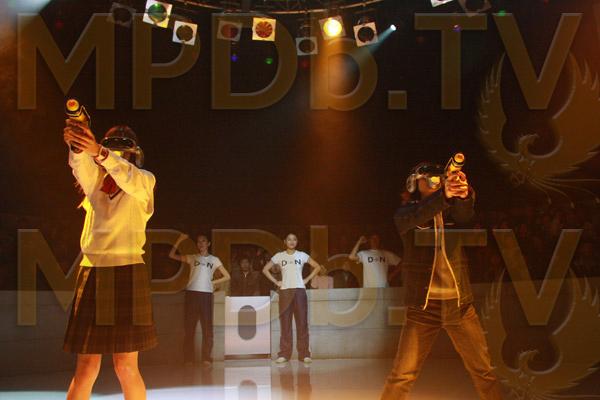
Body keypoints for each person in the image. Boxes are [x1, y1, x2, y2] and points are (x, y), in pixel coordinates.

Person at [381, 161, 503, 400]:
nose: (434, 182)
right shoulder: (405, 213)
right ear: (414, 184)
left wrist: (465, 195)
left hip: (459, 305)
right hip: (423, 308)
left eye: (438, 179)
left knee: (483, 371)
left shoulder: (450, 212)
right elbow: (419, 215)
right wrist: (444, 196)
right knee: (402, 375)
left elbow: (466, 215)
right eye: (428, 179)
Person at [62, 120, 157, 400]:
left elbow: (126, 175)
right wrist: (77, 143)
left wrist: (99, 151)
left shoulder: (144, 181)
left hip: (128, 271)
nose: (117, 156)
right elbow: (78, 164)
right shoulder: (94, 180)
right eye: (111, 149)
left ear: (133, 154)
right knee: (86, 367)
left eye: (121, 151)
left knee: (125, 366)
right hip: (92, 270)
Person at [169, 233, 231, 366]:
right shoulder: (193, 257)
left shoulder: (214, 259)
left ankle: (206, 358)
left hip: (206, 295)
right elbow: (172, 255)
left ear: (208, 244)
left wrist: (213, 282)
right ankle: (188, 359)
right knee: (189, 328)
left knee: (207, 328)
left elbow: (227, 276)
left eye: (203, 241)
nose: (201, 243)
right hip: (192, 294)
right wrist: (179, 240)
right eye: (198, 241)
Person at [262, 233, 323, 364]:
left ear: (297, 242)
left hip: (299, 291)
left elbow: (317, 266)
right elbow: (265, 269)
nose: (292, 241)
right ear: (285, 241)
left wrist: (307, 279)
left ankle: (304, 354)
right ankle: (284, 354)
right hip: (285, 291)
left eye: (294, 239)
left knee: (302, 323)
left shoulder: (302, 255)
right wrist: (276, 281)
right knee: (285, 324)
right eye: (289, 239)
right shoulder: (279, 256)